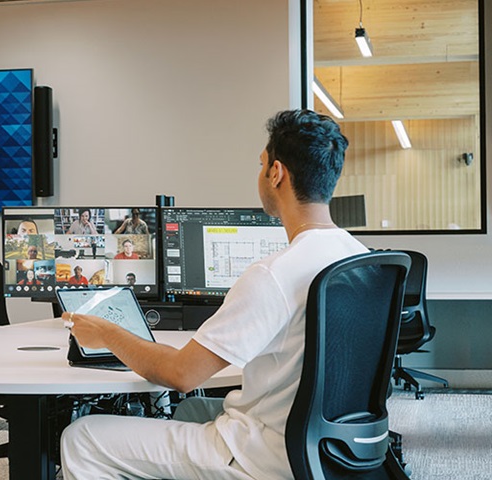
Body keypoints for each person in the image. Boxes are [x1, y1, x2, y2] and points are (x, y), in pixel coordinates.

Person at [59, 109, 363, 480]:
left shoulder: (273, 273)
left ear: (276, 173)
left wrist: (105, 332)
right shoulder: (358, 257)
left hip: (264, 454)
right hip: (332, 447)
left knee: (83, 436)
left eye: (261, 165)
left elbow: (181, 374)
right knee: (187, 413)